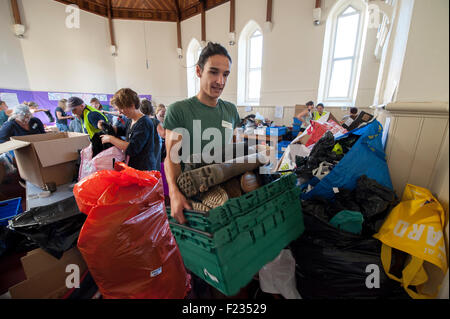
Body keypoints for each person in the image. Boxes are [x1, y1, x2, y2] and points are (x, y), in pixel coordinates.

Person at [163, 42, 240, 224]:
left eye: (225, 74)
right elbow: (171, 158)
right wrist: (174, 194)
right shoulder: (179, 110)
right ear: (199, 71)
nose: (220, 81)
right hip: (192, 199)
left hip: (223, 196)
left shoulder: (231, 111)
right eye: (213, 72)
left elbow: (233, 151)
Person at [98, 88, 157, 171]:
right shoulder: (131, 120)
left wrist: (111, 139)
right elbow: (121, 130)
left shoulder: (144, 123)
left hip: (143, 169)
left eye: (121, 109)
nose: (120, 112)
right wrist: (105, 126)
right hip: (133, 167)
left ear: (132, 105)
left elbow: (132, 148)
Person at [140, 98, 162, 170]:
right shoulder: (155, 121)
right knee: (154, 166)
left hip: (145, 146)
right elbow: (163, 134)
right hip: (155, 146)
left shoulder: (140, 122)